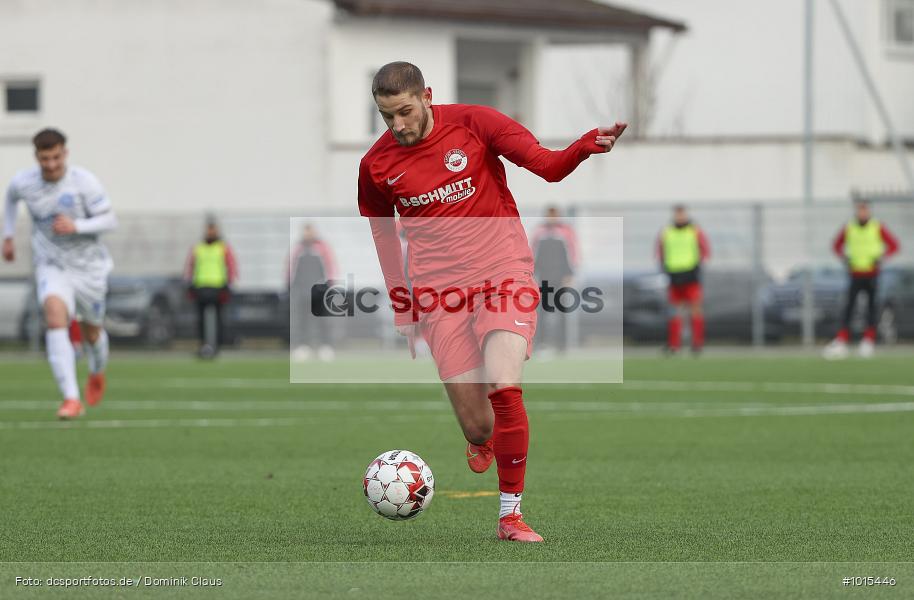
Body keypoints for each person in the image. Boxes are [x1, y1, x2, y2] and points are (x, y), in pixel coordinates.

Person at [358, 62, 626, 542]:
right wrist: (404, 306)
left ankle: (510, 517)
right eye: (385, 116)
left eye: (403, 112)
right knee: (480, 425)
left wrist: (584, 146)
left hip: (503, 271)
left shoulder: (476, 123)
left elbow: (546, 165)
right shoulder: (376, 166)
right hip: (439, 294)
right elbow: (382, 237)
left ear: (427, 97)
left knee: (504, 387)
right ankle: (480, 441)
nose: (397, 125)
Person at [3, 128, 116, 419]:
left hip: (89, 268)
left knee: (92, 331)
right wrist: (8, 236)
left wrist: (77, 226)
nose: (51, 165)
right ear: (36, 157)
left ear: (65, 154)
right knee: (55, 317)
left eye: (56, 157)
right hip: (51, 264)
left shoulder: (84, 182)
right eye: (44, 159)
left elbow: (109, 219)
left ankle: (96, 371)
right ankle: (71, 398)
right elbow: (11, 199)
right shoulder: (24, 182)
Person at [823, 200, 899, 359]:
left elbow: (894, 245)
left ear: (869, 211)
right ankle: (842, 341)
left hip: (872, 273)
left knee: (871, 307)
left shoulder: (877, 226)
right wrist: (845, 258)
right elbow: (836, 245)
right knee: (849, 307)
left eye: (865, 210)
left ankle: (868, 341)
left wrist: (881, 258)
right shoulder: (849, 227)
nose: (862, 213)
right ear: (857, 211)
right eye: (860, 210)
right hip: (855, 273)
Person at [656, 205, 710, 355]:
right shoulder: (667, 231)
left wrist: (699, 265)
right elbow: (660, 251)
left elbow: (705, 250)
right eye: (677, 214)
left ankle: (697, 344)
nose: (680, 217)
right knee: (675, 311)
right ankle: (674, 345)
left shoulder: (694, 230)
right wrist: (664, 267)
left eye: (682, 214)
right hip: (674, 276)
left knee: (695, 309)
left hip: (691, 275)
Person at [184, 218, 238, 358]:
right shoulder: (198, 247)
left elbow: (231, 265)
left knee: (219, 319)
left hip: (217, 287)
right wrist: (190, 284)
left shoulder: (223, 247)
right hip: (201, 286)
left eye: (213, 229)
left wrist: (229, 283)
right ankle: (203, 346)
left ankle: (217, 346)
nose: (210, 232)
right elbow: (190, 266)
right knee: (201, 320)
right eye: (209, 229)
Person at [530, 205, 579, 355]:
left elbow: (573, 253)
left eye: (554, 215)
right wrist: (532, 274)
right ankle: (541, 344)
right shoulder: (539, 232)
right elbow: (532, 253)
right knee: (542, 312)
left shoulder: (566, 231)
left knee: (562, 311)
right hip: (543, 277)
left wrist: (570, 274)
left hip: (561, 277)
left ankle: (562, 346)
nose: (552, 218)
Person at [288, 223, 338, 362]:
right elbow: (290, 268)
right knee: (302, 320)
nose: (308, 234)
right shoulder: (298, 248)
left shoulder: (322, 248)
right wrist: (290, 284)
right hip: (302, 289)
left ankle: (326, 347)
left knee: (323, 320)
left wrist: (330, 285)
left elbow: (330, 266)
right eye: (306, 232)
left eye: (310, 231)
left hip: (320, 290)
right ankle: (303, 347)